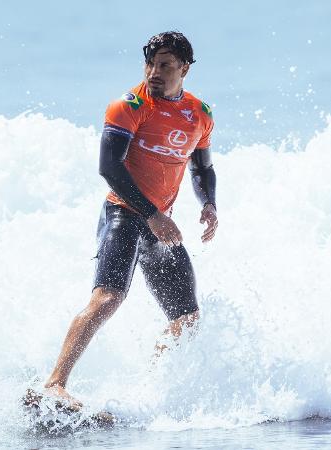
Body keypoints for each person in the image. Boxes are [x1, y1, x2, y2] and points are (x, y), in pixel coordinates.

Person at [40, 31, 218, 410]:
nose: (155, 72)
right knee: (108, 298)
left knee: (186, 318)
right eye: (150, 64)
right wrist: (152, 215)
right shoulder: (129, 106)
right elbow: (109, 167)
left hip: (160, 224)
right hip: (124, 213)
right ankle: (55, 383)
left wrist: (209, 204)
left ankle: (150, 392)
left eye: (165, 65)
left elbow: (202, 168)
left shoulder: (200, 114)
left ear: (184, 69)